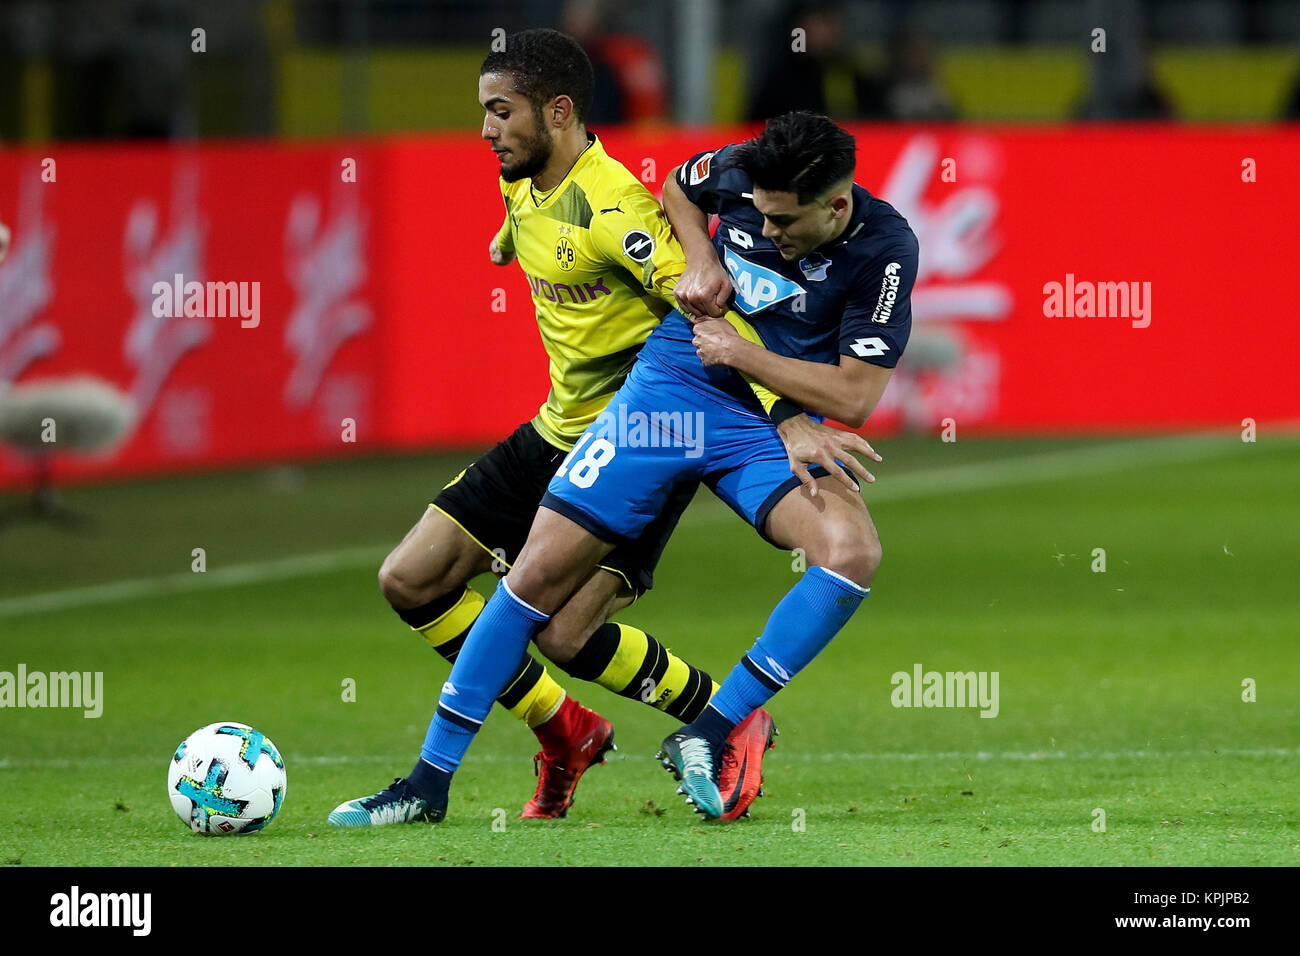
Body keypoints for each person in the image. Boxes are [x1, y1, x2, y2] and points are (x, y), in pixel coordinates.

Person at [341, 111, 917, 824]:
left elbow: (856, 395)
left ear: (836, 204)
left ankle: (710, 731)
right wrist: (702, 259)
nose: (768, 234)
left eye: (785, 223)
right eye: (760, 218)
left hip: (764, 418)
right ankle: (427, 784)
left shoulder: (885, 249)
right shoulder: (742, 168)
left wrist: (746, 360)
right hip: (667, 393)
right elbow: (679, 186)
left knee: (852, 552)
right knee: (532, 584)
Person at [328, 29, 782, 827]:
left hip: (634, 447)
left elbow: (709, 306)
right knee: (411, 579)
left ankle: (729, 715)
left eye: (500, 112)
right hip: (552, 431)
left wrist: (786, 414)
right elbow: (528, 232)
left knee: (567, 636)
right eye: (484, 112)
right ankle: (563, 729)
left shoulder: (616, 212)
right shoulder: (523, 178)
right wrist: (507, 243)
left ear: (559, 112)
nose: (485, 130)